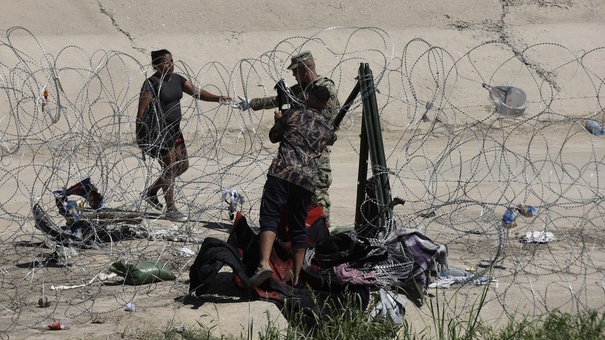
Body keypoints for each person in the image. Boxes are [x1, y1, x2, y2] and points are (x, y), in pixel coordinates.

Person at [250, 84, 337, 288]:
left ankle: (263, 264)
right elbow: (329, 140)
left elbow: (274, 137)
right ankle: (297, 276)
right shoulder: (328, 128)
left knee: (270, 216)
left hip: (282, 173)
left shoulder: (291, 115)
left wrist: (279, 121)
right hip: (306, 181)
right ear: (325, 105)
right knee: (298, 227)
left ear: (307, 97)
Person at [238, 51, 340, 225]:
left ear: (305, 69)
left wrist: (290, 117)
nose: (293, 75)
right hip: (297, 150)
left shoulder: (325, 90)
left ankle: (322, 231)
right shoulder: (301, 89)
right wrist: (251, 103)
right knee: (296, 193)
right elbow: (278, 99)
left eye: (295, 71)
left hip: (316, 150)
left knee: (319, 193)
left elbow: (324, 121)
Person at [136, 49, 230, 221]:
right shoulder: (151, 83)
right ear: (156, 65)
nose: (171, 65)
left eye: (172, 61)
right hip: (159, 131)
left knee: (183, 165)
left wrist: (218, 98)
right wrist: (140, 137)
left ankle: (151, 191)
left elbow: (197, 92)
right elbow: (141, 111)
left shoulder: (177, 79)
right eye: (166, 62)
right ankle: (171, 208)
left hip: (175, 129)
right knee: (170, 168)